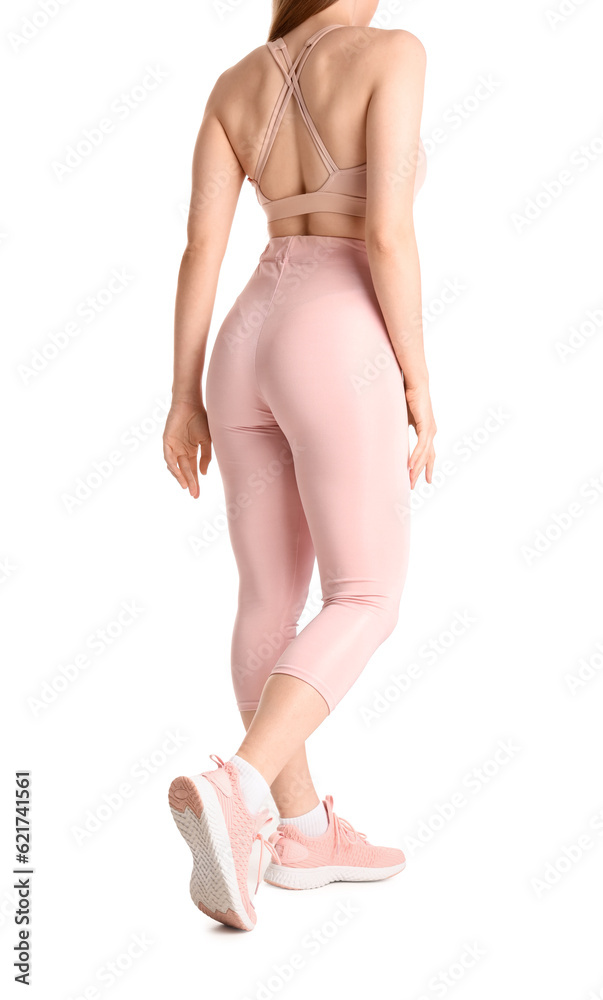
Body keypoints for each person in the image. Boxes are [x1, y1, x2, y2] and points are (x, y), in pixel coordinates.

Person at [163, 0, 436, 931]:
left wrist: (183, 393)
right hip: (335, 334)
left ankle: (305, 832)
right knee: (366, 596)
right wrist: (418, 380)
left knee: (267, 603)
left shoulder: (234, 82)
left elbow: (202, 247)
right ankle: (239, 788)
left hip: (245, 339)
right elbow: (387, 233)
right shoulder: (391, 52)